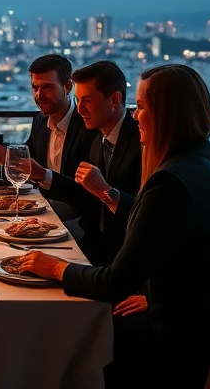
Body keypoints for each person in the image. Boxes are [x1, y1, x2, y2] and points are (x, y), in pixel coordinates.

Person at [19, 64, 210, 388]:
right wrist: (156, 297)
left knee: (83, 328)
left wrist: (53, 267)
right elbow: (192, 253)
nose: (135, 116)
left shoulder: (172, 182)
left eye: (142, 107)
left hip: (199, 341)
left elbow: (113, 283)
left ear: (167, 114)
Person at [0, 53, 99, 221]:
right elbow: (29, 159)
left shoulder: (87, 125)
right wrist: (4, 158)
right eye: (35, 88)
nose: (39, 95)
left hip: (78, 216)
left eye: (47, 87)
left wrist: (43, 176)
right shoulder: (40, 120)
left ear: (67, 87)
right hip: (42, 205)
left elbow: (85, 193)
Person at [69, 60, 142, 266]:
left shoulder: (143, 143)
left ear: (115, 99)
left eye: (88, 100)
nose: (79, 110)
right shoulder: (97, 141)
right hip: (96, 249)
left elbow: (151, 218)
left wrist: (105, 191)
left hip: (128, 260)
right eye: (77, 101)